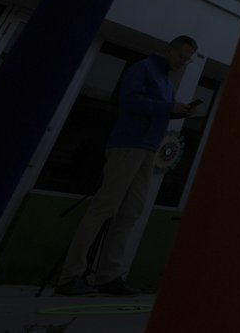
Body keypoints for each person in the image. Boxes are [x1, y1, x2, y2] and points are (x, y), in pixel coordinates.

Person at [56, 35, 200, 296]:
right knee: (105, 207)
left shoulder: (166, 81)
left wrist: (177, 111)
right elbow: (130, 101)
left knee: (131, 211)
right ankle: (70, 276)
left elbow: (156, 109)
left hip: (148, 148)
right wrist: (168, 107)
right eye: (182, 56)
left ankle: (108, 275)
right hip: (128, 145)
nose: (183, 62)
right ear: (169, 50)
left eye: (188, 60)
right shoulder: (143, 69)